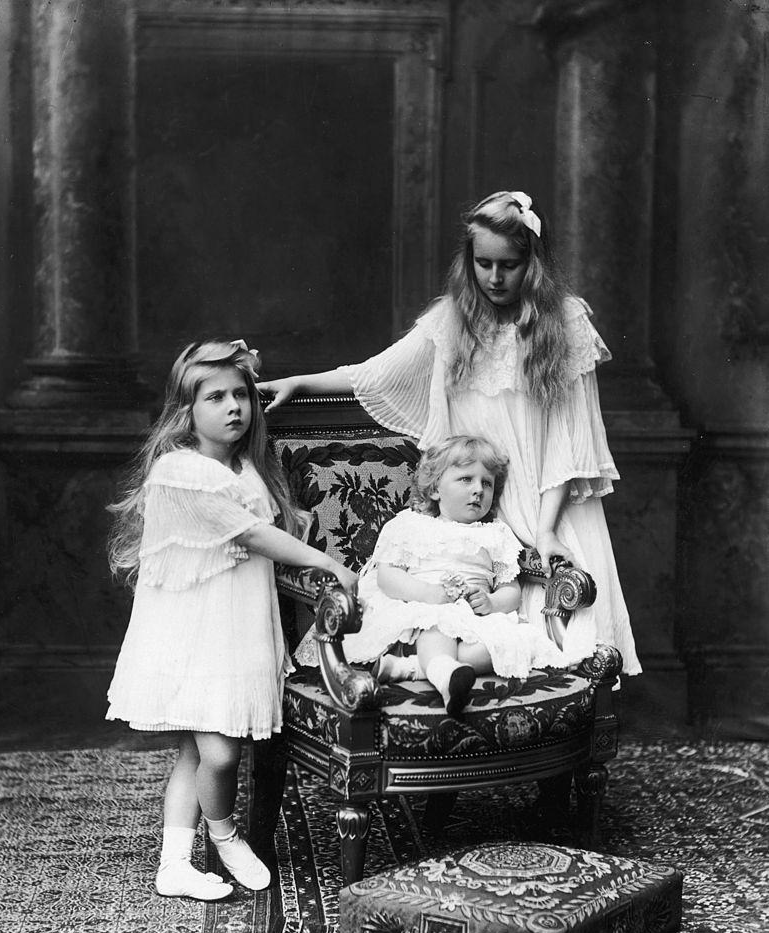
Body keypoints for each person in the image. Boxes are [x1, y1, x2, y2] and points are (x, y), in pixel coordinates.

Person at [261, 190, 641, 674]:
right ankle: (436, 675)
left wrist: (544, 530)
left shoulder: (563, 323)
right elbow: (377, 372)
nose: (495, 278)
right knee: (466, 625)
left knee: (563, 641)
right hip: (477, 499)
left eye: (510, 265)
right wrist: (301, 381)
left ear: (533, 263)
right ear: (470, 261)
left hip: (548, 500)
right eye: (484, 263)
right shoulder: (453, 319)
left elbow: (570, 444)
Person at [106, 338, 357, 901]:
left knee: (197, 752)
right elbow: (251, 534)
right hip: (194, 630)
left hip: (237, 627)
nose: (233, 407)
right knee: (219, 752)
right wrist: (326, 563)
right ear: (186, 411)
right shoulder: (180, 469)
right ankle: (225, 834)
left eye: (240, 394)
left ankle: (173, 865)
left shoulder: (247, 470)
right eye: (214, 397)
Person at [296, 435, 586, 715]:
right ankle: (447, 678)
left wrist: (492, 602)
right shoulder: (410, 525)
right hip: (423, 610)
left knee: (505, 645)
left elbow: (512, 590)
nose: (478, 490)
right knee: (437, 628)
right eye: (466, 479)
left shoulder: (496, 534)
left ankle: (413, 668)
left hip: (475, 620)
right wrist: (430, 595)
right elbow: (387, 577)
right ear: (435, 489)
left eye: (487, 483)